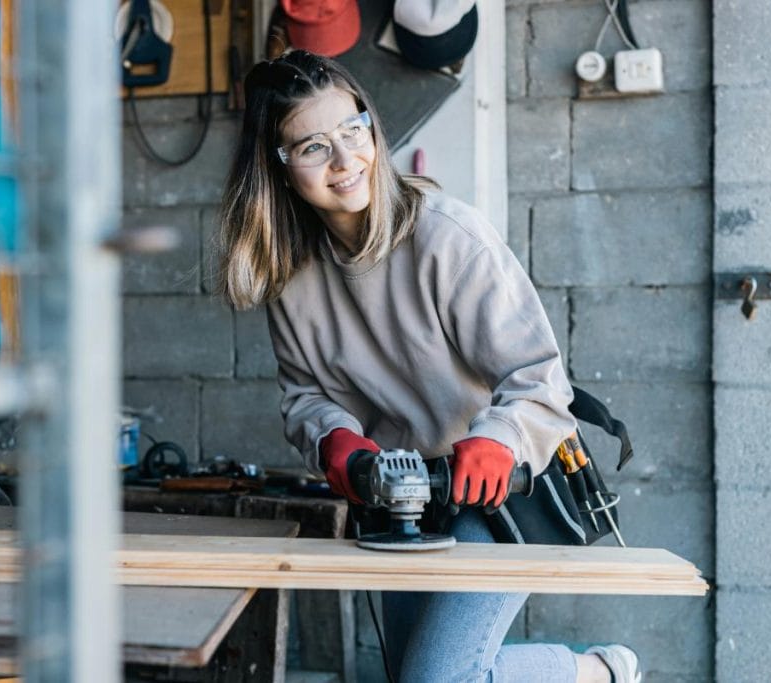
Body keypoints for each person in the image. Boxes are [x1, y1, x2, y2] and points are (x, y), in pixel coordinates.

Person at [214, 49, 641, 683]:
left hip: (494, 495)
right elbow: (306, 394)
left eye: (352, 131)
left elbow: (539, 379)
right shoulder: (290, 276)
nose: (342, 160)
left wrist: (500, 440)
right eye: (311, 147)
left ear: (372, 126)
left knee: (436, 681)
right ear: (276, 166)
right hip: (401, 498)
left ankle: (596, 673)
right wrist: (335, 439)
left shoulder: (447, 238)